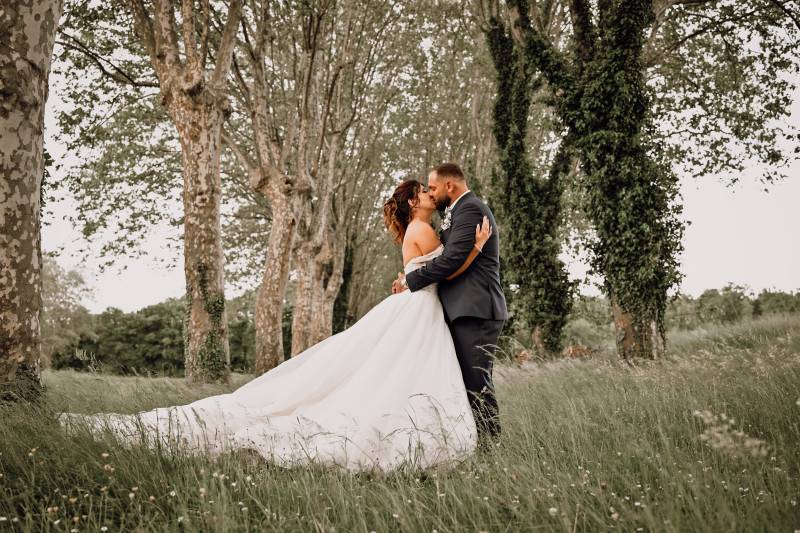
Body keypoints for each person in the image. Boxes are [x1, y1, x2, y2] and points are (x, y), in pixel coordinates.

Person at [58, 178, 493, 472]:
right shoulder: (423, 228)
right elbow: (444, 268)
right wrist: (474, 249)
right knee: (394, 370)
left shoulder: (419, 227)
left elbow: (423, 270)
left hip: (418, 308)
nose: (430, 193)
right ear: (414, 201)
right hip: (419, 308)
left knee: (394, 371)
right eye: (423, 190)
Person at [393, 162, 507, 447]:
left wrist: (412, 279)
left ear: (449, 186)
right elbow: (443, 259)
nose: (431, 194)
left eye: (432, 187)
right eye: (425, 190)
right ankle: (469, 444)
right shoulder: (451, 214)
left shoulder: (468, 209)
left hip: (476, 309)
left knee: (476, 384)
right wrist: (410, 277)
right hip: (459, 309)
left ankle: (491, 447)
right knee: (465, 385)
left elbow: (451, 259)